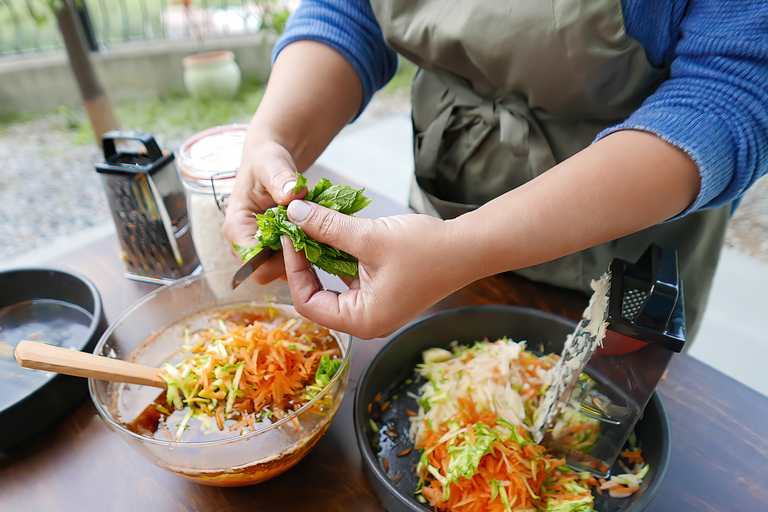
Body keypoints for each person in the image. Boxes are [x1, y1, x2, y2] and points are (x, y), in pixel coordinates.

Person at [222, 0, 767, 340]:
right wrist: (273, 137)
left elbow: (731, 93)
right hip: (434, 222)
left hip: (622, 243)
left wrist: (461, 248)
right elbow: (351, 10)